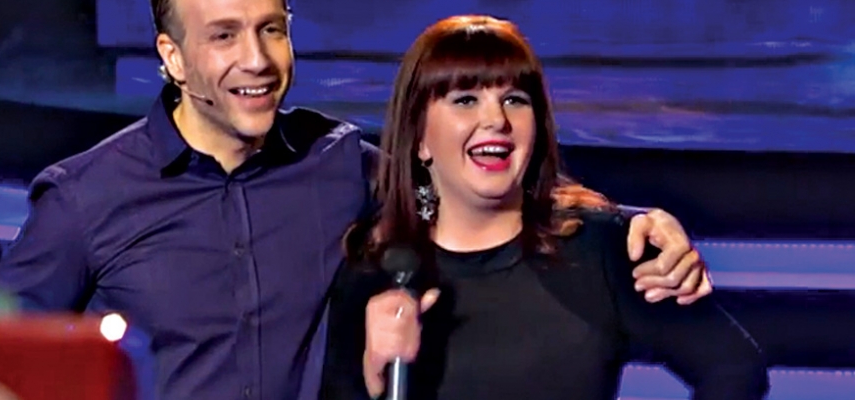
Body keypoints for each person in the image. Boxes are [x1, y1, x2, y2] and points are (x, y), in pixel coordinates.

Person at [0, 1, 714, 399]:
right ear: (171, 57)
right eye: (224, 36)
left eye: (272, 29)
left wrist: (631, 225)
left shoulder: (336, 164)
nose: (257, 60)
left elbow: (467, 189)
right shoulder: (86, 198)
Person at [320, 15, 768, 400]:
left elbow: (734, 368)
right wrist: (372, 377)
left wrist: (638, 222)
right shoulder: (374, 273)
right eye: (465, 99)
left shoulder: (605, 248)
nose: (496, 120)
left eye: (514, 99)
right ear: (420, 138)